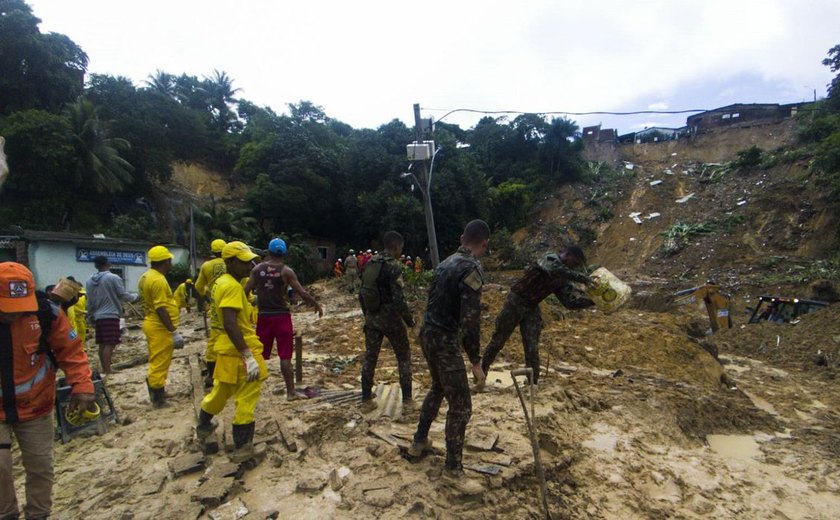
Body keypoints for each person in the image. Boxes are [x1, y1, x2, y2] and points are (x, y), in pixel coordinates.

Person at [0, 262, 95, 520]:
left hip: (36, 405)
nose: (13, 315)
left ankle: (38, 515)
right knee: (1, 467)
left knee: (41, 467)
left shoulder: (46, 314)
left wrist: (82, 386)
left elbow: (72, 351)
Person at [409, 220, 490, 495]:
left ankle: (419, 441)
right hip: (444, 340)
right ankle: (453, 470)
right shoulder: (472, 268)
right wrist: (476, 362)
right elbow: (470, 321)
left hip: (427, 334)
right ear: (484, 244)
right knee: (462, 405)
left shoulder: (445, 263)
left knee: (438, 387)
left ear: (461, 237)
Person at [195, 242, 268, 462]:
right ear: (229, 262)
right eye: (244, 262)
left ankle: (204, 424)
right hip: (239, 348)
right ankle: (243, 447)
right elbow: (230, 323)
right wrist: (248, 355)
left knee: (221, 389)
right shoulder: (233, 287)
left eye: (250, 261)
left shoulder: (219, 283)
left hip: (225, 349)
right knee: (247, 395)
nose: (250, 266)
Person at [481, 246, 594, 384]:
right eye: (574, 263)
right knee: (498, 340)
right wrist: (583, 279)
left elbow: (569, 303)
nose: (574, 267)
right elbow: (553, 269)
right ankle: (481, 373)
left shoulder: (563, 278)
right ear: (567, 254)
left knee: (532, 346)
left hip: (532, 307)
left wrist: (593, 302)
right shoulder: (550, 258)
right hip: (516, 301)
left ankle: (532, 382)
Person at [245, 238, 323, 401]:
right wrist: (316, 304)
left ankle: (247, 391)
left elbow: (244, 291)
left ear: (268, 251)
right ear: (284, 253)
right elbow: (302, 293)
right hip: (281, 317)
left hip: (264, 317)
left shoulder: (257, 269)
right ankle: (290, 393)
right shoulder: (286, 271)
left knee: (258, 355)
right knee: (285, 357)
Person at [359, 231, 416, 413]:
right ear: (396, 246)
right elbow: (399, 300)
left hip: (372, 318)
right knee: (403, 357)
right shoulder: (393, 266)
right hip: (391, 319)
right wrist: (411, 323)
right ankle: (407, 401)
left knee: (370, 357)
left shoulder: (370, 263)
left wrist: (367, 315)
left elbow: (362, 293)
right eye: (401, 247)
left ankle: (366, 400)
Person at [138, 245, 183, 407]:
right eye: (169, 261)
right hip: (159, 326)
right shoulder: (157, 280)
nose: (171, 264)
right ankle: (158, 398)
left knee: (157, 359)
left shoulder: (146, 276)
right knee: (159, 361)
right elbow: (161, 308)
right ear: (165, 261)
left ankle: (159, 389)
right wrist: (173, 331)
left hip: (152, 322)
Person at [86, 255, 139, 375]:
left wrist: (90, 315)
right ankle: (107, 370)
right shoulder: (113, 277)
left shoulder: (90, 281)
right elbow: (123, 294)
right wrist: (136, 297)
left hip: (98, 315)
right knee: (110, 343)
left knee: (102, 343)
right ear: (108, 263)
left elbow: (90, 300)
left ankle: (105, 368)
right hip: (110, 314)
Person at [195, 239, 227, 387]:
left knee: (214, 339)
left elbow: (199, 286)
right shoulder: (232, 264)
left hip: (216, 306)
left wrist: (208, 298)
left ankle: (212, 376)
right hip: (233, 303)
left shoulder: (206, 266)